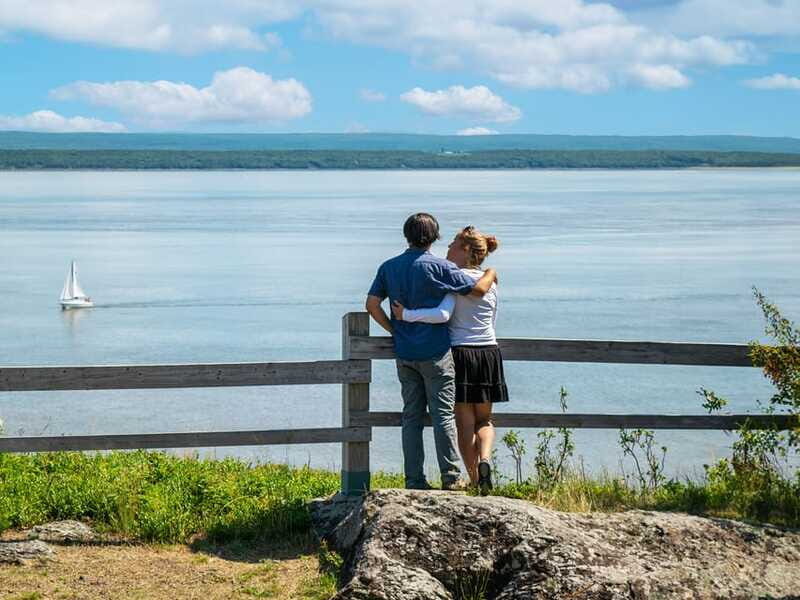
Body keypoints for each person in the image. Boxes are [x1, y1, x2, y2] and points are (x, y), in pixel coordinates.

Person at [366, 213, 497, 490]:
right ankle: (450, 477)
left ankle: (414, 480)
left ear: (406, 236)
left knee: (411, 417)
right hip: (437, 353)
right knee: (443, 416)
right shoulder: (440, 267)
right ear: (434, 237)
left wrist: (394, 329)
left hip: (405, 354)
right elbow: (477, 290)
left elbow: (372, 305)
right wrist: (491, 272)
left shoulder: (388, 267)